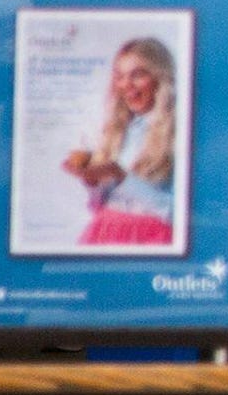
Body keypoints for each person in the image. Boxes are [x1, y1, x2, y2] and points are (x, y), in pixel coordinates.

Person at [63, 37, 180, 246]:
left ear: (160, 78)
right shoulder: (117, 131)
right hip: (105, 233)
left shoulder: (179, 132)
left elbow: (179, 213)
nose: (126, 85)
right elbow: (100, 205)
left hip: (152, 239)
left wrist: (120, 175)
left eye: (137, 75)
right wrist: (92, 181)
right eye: (119, 76)